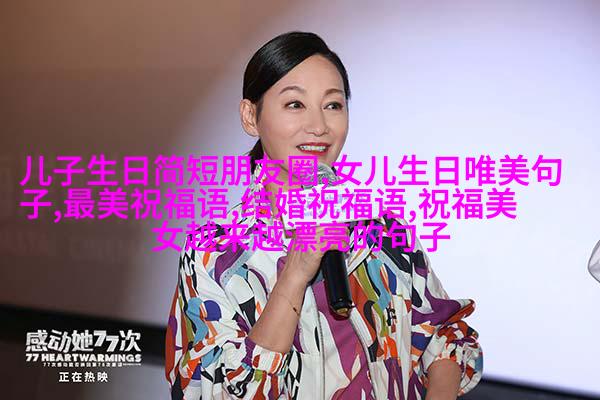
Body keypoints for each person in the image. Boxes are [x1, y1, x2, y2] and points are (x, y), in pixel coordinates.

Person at [165, 31, 483, 400]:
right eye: (295, 104)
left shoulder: (382, 229)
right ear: (251, 116)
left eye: (332, 105)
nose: (319, 127)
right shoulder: (214, 253)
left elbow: (443, 334)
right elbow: (209, 391)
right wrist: (294, 274)